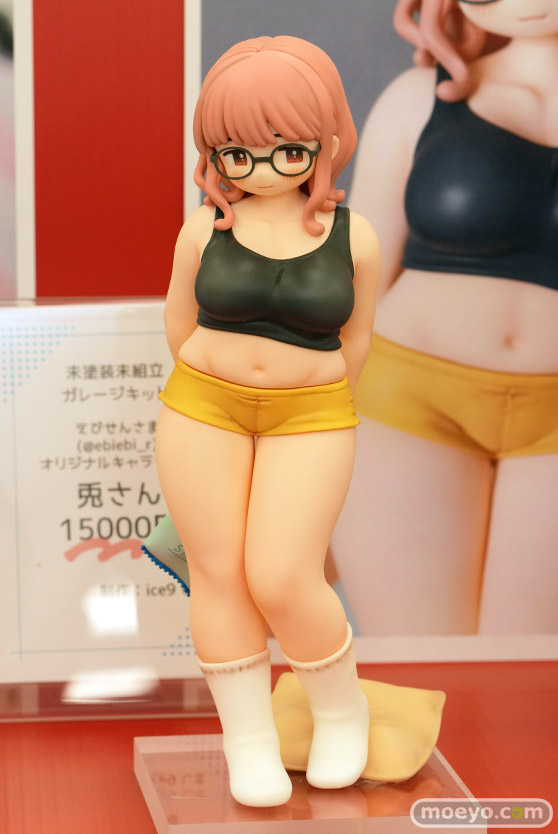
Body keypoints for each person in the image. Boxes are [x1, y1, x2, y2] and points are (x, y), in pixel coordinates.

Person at [155, 36, 381, 807]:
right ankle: (247, 740)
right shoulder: (203, 229)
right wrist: (220, 380)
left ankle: (341, 710)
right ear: (215, 152)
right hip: (202, 407)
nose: (258, 168)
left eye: (286, 149)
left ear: (324, 141)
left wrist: (311, 395)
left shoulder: (355, 236)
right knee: (219, 573)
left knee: (283, 574)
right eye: (236, 152)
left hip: (312, 416)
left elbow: (357, 340)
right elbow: (178, 321)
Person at [331, 0, 558, 637]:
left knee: (530, 680)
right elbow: (354, 281)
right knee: (423, 669)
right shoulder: (419, 98)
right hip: (404, 402)